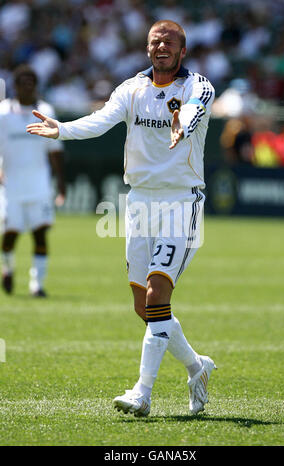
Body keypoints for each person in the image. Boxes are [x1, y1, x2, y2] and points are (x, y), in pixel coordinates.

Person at [26, 20, 217, 416]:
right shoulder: (132, 89)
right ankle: (197, 367)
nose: (160, 46)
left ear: (183, 51)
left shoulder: (198, 85)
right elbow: (100, 120)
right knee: (143, 307)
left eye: (169, 42)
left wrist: (183, 122)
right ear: (147, 48)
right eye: (154, 41)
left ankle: (142, 393)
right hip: (140, 203)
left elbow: (196, 109)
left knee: (157, 294)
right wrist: (61, 129)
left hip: (182, 203)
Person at [0, 64, 65, 297]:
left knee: (40, 232)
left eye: (32, 82)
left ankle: (37, 285)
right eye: (23, 82)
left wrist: (61, 183)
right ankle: (7, 268)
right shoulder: (3, 112)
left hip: (39, 184)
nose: (28, 87)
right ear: (15, 86)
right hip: (11, 185)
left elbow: (55, 150)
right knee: (10, 234)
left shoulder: (46, 111)